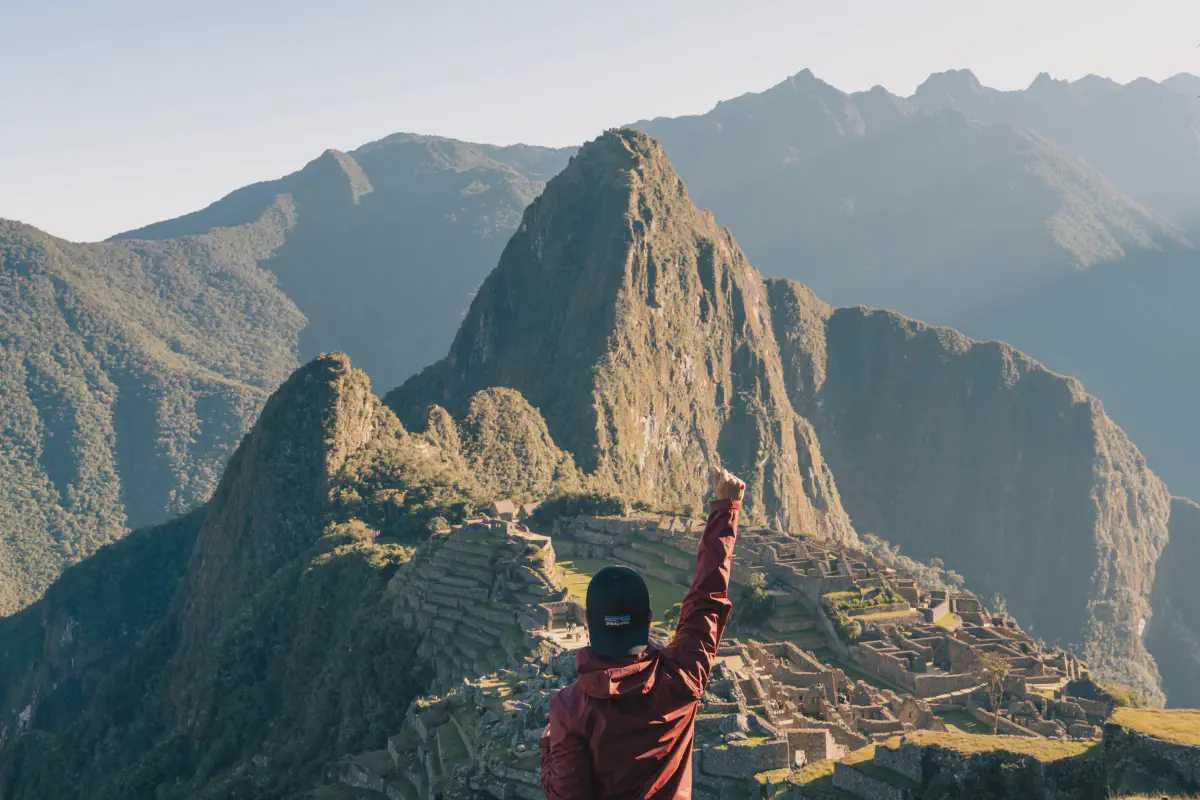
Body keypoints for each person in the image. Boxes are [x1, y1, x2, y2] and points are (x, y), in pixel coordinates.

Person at [540, 466, 746, 799]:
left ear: (589, 621)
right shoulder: (683, 675)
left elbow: (566, 794)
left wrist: (549, 747)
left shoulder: (570, 708)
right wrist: (727, 510)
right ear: (648, 618)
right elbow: (707, 601)